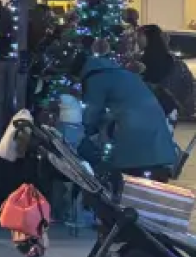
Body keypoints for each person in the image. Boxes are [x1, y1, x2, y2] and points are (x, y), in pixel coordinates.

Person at [72, 46, 182, 182]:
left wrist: (82, 134)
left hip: (134, 141)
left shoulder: (96, 78)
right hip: (157, 139)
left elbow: (91, 113)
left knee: (128, 184)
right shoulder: (119, 73)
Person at [140, 24, 196, 122]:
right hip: (169, 112)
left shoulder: (141, 62)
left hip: (148, 113)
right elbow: (189, 87)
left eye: (138, 37)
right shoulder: (176, 63)